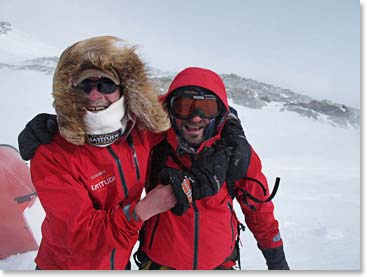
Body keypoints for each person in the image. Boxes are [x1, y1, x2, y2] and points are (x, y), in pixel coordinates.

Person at [19, 65, 289, 270]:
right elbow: (112, 124)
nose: (195, 117)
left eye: (206, 107)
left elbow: (259, 209)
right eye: (185, 106)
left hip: (219, 265)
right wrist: (67, 123)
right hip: (158, 264)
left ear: (219, 112)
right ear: (170, 110)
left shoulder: (237, 154)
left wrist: (277, 261)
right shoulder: (152, 141)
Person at [19, 36, 179, 270]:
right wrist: (143, 210)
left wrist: (228, 119)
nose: (95, 96)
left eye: (106, 85)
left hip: (119, 263)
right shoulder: (51, 154)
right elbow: (81, 235)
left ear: (125, 89)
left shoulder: (140, 131)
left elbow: (186, 101)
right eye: (85, 86)